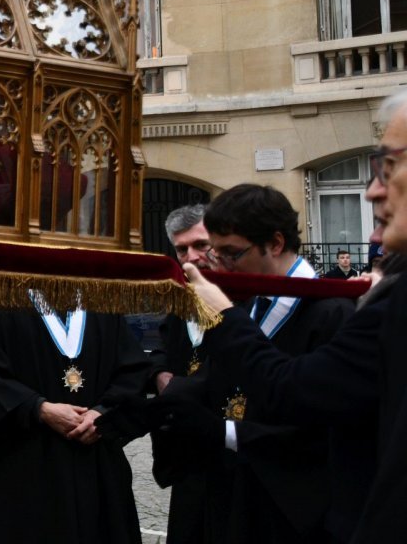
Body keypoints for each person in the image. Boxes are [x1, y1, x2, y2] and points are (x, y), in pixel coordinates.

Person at [181, 88, 407, 543]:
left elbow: (304, 399)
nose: (371, 191)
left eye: (389, 165)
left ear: (276, 243)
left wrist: (223, 318)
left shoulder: (339, 309)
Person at [156, 184, 352, 544]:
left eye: (231, 253)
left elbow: (324, 429)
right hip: (233, 491)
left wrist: (225, 432)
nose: (221, 265)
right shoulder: (251, 302)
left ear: (275, 244)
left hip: (291, 508)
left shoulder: (332, 314)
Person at [0, 289, 150, 543]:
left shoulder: (100, 301)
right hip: (24, 467)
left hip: (94, 462)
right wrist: (38, 408)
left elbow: (132, 371)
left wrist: (102, 413)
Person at [146, 205, 214, 544]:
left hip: (229, 446)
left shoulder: (244, 295)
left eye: (201, 245)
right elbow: (163, 344)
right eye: (181, 249)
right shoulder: (179, 295)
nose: (192, 257)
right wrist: (160, 374)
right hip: (187, 454)